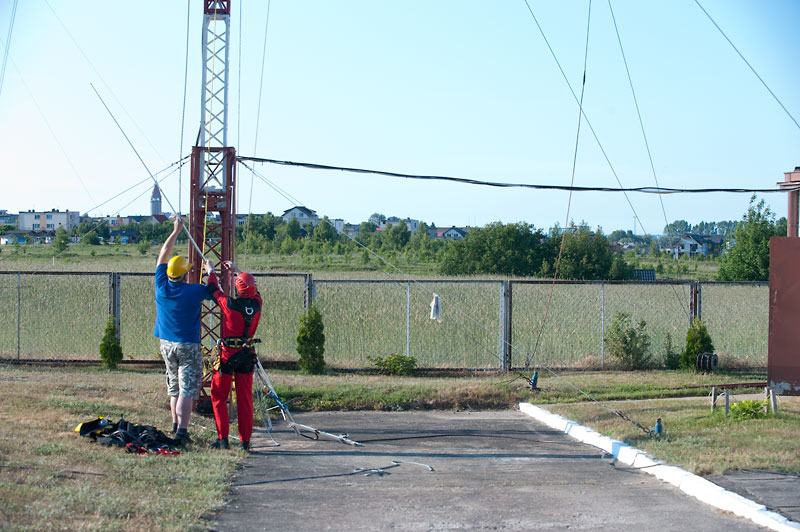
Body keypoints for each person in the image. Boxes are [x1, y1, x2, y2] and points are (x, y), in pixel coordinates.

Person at [153, 216, 214, 446]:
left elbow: (163, 254)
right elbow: (215, 291)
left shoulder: (161, 285)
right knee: (187, 390)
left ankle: (174, 423)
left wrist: (176, 230)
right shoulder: (194, 291)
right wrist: (210, 271)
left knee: (174, 386)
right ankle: (182, 431)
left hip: (166, 344)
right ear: (185, 274)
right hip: (188, 344)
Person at [207, 260, 262, 451]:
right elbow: (255, 291)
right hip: (247, 354)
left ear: (238, 289)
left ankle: (223, 439)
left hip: (228, 355)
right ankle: (245, 441)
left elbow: (213, 291)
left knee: (219, 396)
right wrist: (237, 271)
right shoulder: (257, 304)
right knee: (245, 399)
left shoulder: (230, 304)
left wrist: (211, 271)